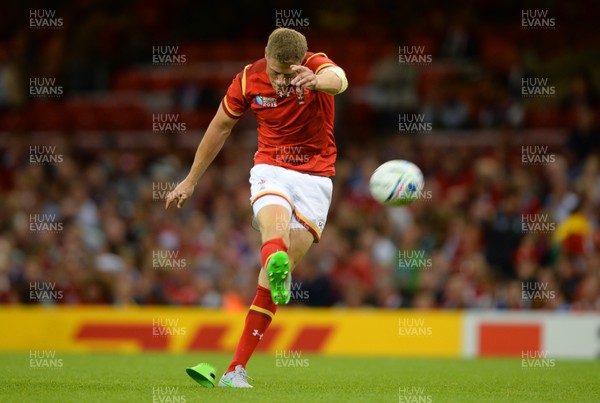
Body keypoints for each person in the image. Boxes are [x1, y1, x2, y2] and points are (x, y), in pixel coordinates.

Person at [165, 27, 348, 388]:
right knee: (274, 229)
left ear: (302, 59)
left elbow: (338, 79)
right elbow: (220, 127)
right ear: (265, 54)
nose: (281, 79)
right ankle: (235, 371)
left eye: (288, 72)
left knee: (271, 276)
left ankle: (236, 368)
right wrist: (190, 180)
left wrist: (315, 81)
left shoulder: (315, 66)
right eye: (276, 71)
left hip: (316, 179)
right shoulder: (248, 80)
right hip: (272, 168)